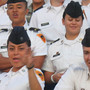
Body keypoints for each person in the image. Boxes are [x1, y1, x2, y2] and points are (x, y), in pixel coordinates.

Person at [42, 0, 85, 86]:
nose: (73, 23)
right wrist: (54, 78)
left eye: (77, 20)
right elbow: (47, 75)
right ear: (63, 21)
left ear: (82, 22)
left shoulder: (87, 43)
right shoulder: (54, 47)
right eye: (70, 20)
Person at [0, 0, 47, 72]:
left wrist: (6, 64)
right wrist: (26, 60)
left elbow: (37, 65)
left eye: (19, 7)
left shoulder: (36, 36)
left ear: (26, 11)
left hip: (27, 81)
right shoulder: (1, 34)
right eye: (11, 8)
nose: (14, 10)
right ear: (7, 12)